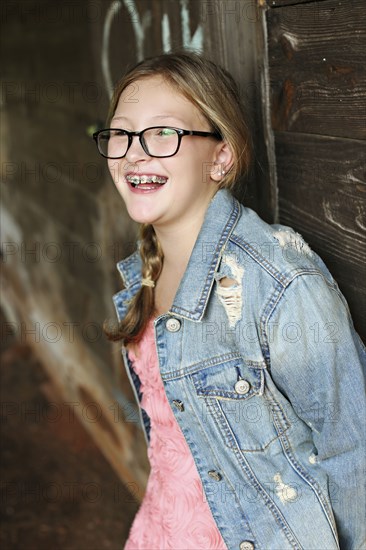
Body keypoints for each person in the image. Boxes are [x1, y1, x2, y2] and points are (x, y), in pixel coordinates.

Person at [93, 52, 366, 550]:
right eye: (121, 133)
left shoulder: (279, 284)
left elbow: (355, 451)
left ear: (220, 157)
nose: (134, 153)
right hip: (163, 530)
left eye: (162, 133)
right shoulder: (145, 270)